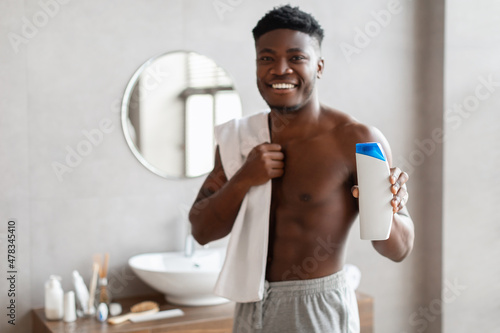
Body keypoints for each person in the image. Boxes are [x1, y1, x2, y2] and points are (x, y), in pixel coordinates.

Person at [189, 5, 414, 333]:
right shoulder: (238, 139)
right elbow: (201, 231)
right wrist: (244, 178)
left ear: (319, 66)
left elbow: (399, 250)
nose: (280, 69)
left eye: (296, 58)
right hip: (250, 304)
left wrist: (383, 208)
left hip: (317, 307)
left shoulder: (355, 139)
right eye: (267, 58)